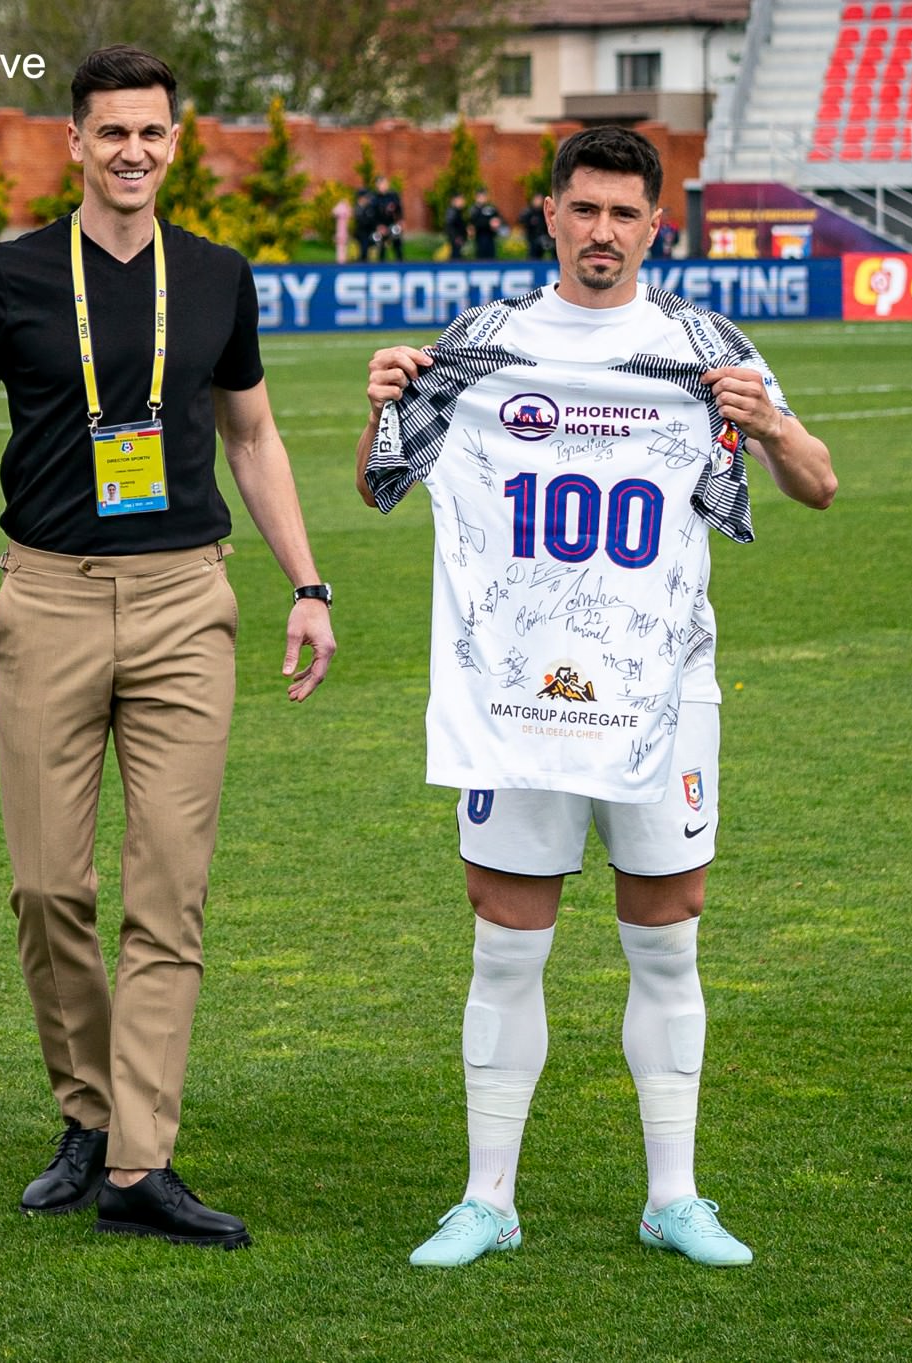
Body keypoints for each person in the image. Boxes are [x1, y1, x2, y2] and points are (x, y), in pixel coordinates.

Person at [0, 44, 337, 1250]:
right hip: (48, 600)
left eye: (151, 132)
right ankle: (86, 1113)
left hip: (188, 600)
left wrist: (307, 583)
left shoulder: (219, 276)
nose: (132, 151)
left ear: (174, 143)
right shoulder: (9, 278)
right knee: (48, 889)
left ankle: (138, 1159)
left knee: (167, 891)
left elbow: (252, 438)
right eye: (111, 132)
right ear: (74, 143)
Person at [354, 127, 836, 1269]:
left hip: (661, 693)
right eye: (585, 209)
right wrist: (384, 399)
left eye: (625, 214)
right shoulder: (481, 344)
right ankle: (487, 1199)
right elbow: (381, 482)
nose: (603, 232)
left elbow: (817, 485)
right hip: (514, 694)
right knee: (504, 945)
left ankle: (674, 1196)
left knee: (666, 941)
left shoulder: (704, 348)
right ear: (552, 215)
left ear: (655, 226)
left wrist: (768, 422)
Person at [373, 175, 405, 261]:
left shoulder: (393, 196)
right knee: (381, 248)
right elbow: (373, 215)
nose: (384, 186)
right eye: (381, 184)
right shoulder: (374, 198)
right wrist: (378, 226)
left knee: (397, 245)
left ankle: (400, 264)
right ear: (377, 186)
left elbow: (399, 209)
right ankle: (381, 265)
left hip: (392, 224)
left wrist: (401, 220)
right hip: (381, 226)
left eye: (385, 183)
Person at [468, 189, 503, 260]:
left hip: (490, 236)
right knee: (481, 257)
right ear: (476, 197)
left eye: (484, 196)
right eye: (480, 196)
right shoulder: (474, 209)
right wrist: (488, 223)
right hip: (480, 236)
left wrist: (497, 222)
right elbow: (473, 223)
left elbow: (498, 218)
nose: (482, 198)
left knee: (491, 256)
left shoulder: (491, 208)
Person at [518, 192, 550, 260]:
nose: (538, 201)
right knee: (533, 255)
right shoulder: (528, 212)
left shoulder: (543, 212)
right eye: (537, 199)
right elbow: (521, 221)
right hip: (532, 239)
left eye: (540, 199)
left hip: (544, 238)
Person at [442, 193, 469, 260]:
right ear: (455, 201)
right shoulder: (452, 211)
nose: (463, 202)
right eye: (461, 200)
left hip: (459, 240)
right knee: (456, 258)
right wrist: (456, 238)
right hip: (456, 241)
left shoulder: (459, 211)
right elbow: (449, 226)